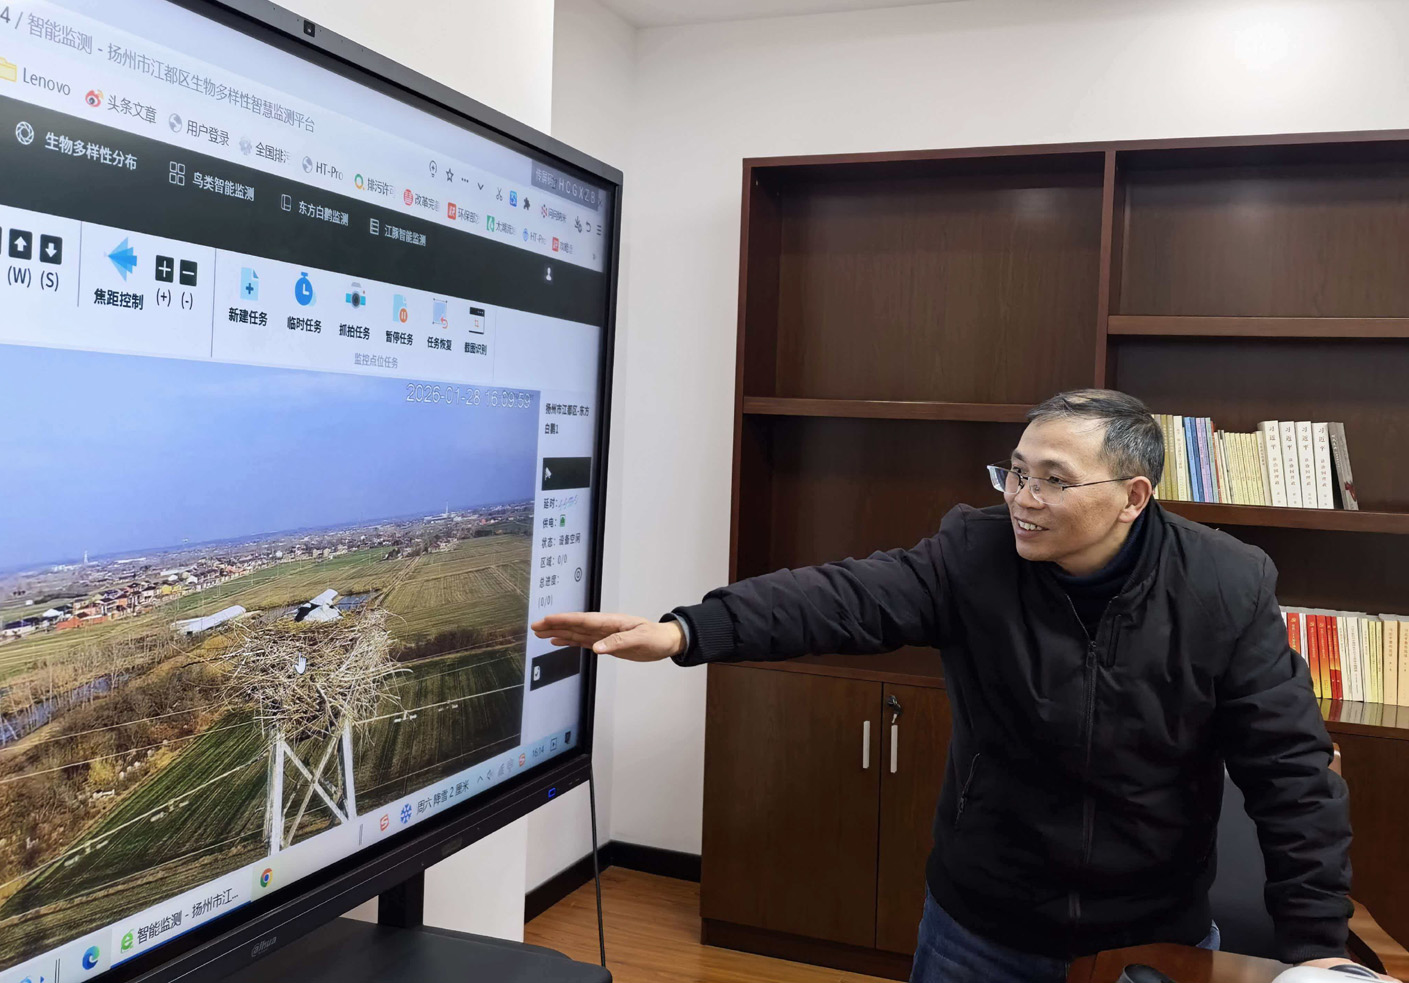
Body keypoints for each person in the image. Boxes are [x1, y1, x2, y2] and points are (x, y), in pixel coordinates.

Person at [534, 389, 1399, 983]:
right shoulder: (973, 553)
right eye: (1014, 471)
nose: (1023, 496)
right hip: (981, 924)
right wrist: (686, 630)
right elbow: (842, 597)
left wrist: (1315, 950)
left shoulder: (1223, 584)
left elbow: (1290, 771)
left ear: (1133, 495)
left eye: (1052, 479)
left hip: (1149, 932)